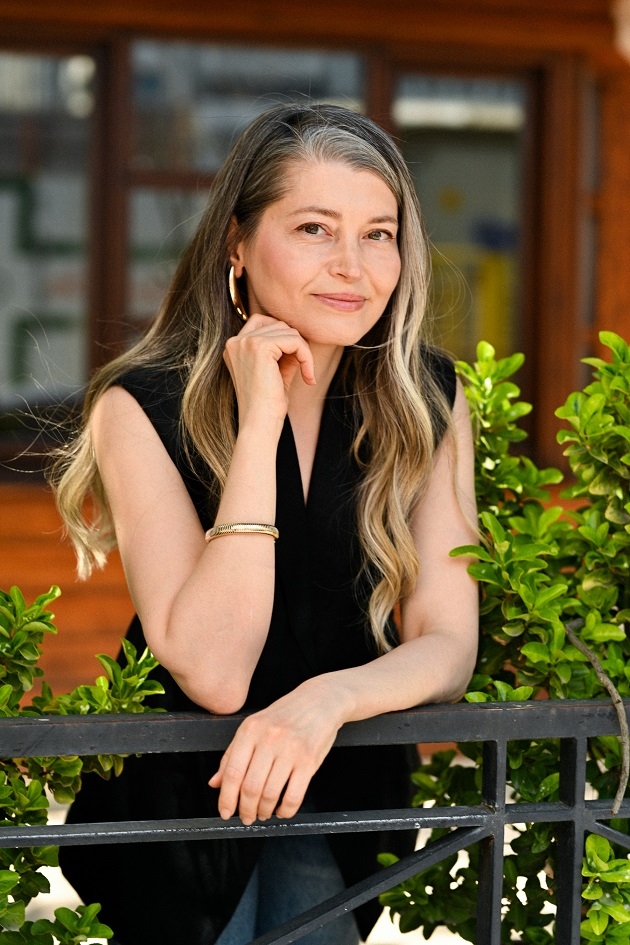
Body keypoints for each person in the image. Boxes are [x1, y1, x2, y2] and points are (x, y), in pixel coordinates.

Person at [50, 103, 479, 945]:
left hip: (346, 791)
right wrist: (259, 422)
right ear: (236, 246)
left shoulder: (425, 396)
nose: (353, 265)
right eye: (315, 228)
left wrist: (326, 702)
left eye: (379, 234)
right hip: (177, 811)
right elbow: (215, 670)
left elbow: (449, 641)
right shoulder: (140, 403)